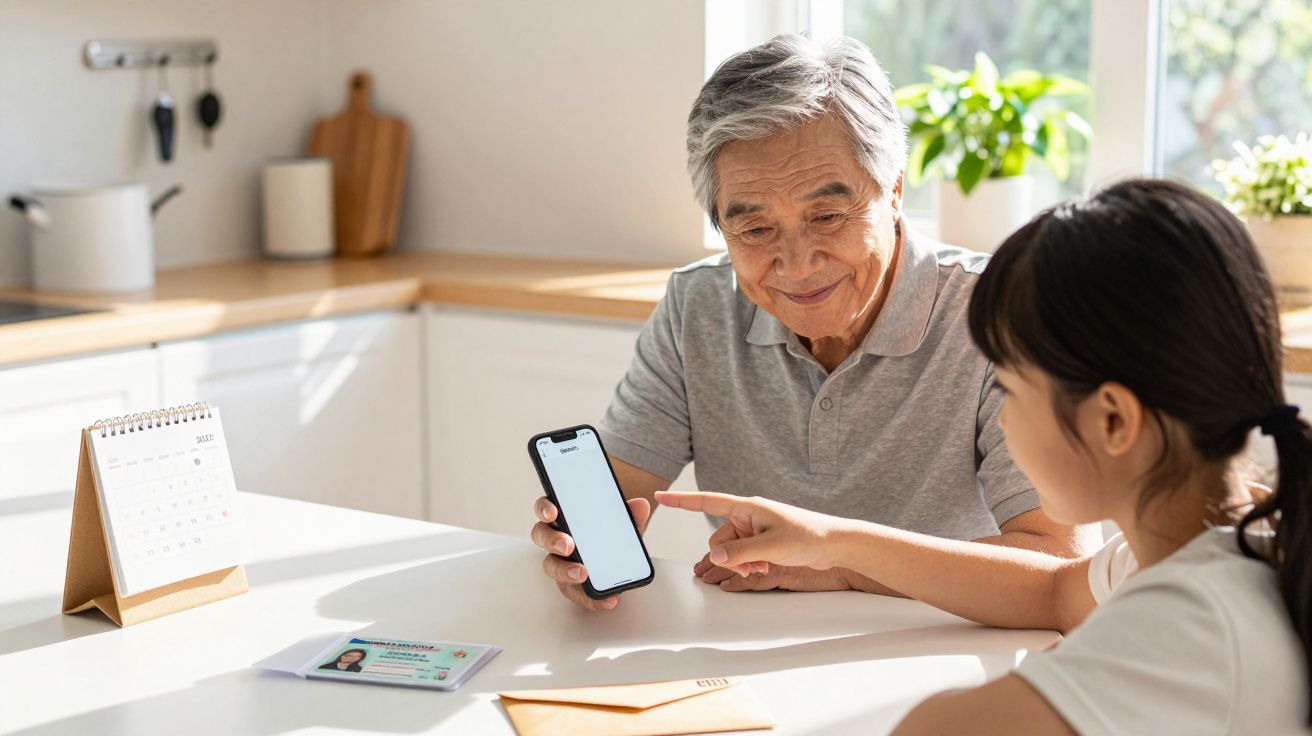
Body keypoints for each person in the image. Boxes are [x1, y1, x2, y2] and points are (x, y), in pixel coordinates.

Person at [657, 179, 1312, 733]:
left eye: (1012, 387)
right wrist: (834, 544)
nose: (1000, 415)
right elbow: (1053, 591)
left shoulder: (1190, 623)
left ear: (1112, 419)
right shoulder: (1219, 542)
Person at [530, 33, 1097, 612]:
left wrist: (840, 561)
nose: (797, 265)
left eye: (826, 215)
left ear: (894, 190)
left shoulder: (999, 317)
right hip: (752, 653)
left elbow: (1063, 568)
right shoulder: (697, 307)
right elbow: (617, 502)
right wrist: (576, 550)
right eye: (754, 230)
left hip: (941, 652)